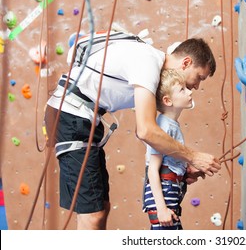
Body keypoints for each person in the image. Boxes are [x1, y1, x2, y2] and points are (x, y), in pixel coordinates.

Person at [44, 30, 221, 230]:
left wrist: (180, 166)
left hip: (79, 118)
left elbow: (154, 137)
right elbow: (146, 130)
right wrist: (193, 157)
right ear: (186, 63)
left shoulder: (149, 62)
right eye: (199, 77)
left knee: (101, 208)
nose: (196, 86)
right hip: (71, 116)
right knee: (92, 215)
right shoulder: (147, 62)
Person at [143, 69, 193, 230]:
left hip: (169, 193)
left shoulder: (170, 125)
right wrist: (161, 209)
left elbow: (169, 161)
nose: (190, 91)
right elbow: (152, 169)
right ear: (168, 100)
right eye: (182, 89)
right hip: (163, 197)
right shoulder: (164, 127)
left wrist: (185, 173)